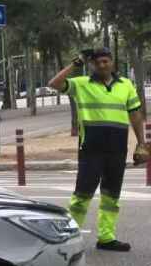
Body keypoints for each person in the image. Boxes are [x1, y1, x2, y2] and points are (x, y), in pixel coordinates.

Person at [49, 47, 149, 251]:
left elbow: (135, 115)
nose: (103, 65)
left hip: (117, 149)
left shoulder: (126, 85)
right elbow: (54, 84)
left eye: (106, 61)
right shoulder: (81, 84)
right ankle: (68, 239)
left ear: (112, 62)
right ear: (92, 64)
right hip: (90, 149)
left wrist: (142, 143)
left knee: (111, 195)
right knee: (82, 195)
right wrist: (76, 63)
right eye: (98, 62)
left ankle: (106, 237)